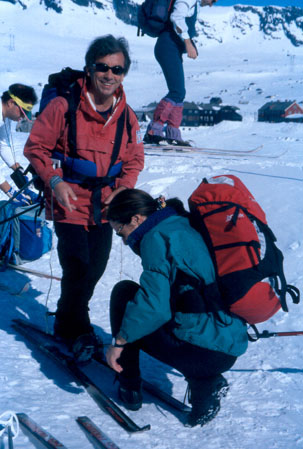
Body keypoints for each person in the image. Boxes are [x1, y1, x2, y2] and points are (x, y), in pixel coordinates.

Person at [24, 35, 144, 361]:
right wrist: (54, 181)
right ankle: (77, 327)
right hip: (69, 200)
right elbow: (36, 148)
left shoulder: (127, 115)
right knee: (77, 267)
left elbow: (134, 159)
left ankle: (68, 318)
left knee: (95, 269)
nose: (109, 75)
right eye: (102, 67)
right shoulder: (64, 106)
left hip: (106, 205)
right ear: (90, 68)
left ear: (124, 73)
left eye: (117, 69)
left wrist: (124, 186)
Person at [106, 189, 248, 427]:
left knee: (123, 295)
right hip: (229, 340)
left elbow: (154, 308)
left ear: (136, 219)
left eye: (119, 230)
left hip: (206, 352)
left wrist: (118, 343)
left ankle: (129, 384)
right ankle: (205, 383)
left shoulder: (155, 238)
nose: (122, 239)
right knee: (140, 298)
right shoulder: (179, 223)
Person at [144, 0, 218, 146]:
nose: (211, 4)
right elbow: (176, 17)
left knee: (180, 93)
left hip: (171, 48)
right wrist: (188, 42)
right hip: (167, 47)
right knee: (177, 91)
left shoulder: (194, 4)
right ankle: (153, 131)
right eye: (213, 0)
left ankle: (173, 134)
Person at [0, 84, 38, 205]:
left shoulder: (4, 117)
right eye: (22, 112)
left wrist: (17, 169)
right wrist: (10, 191)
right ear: (11, 102)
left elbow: (3, 144)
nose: (22, 117)